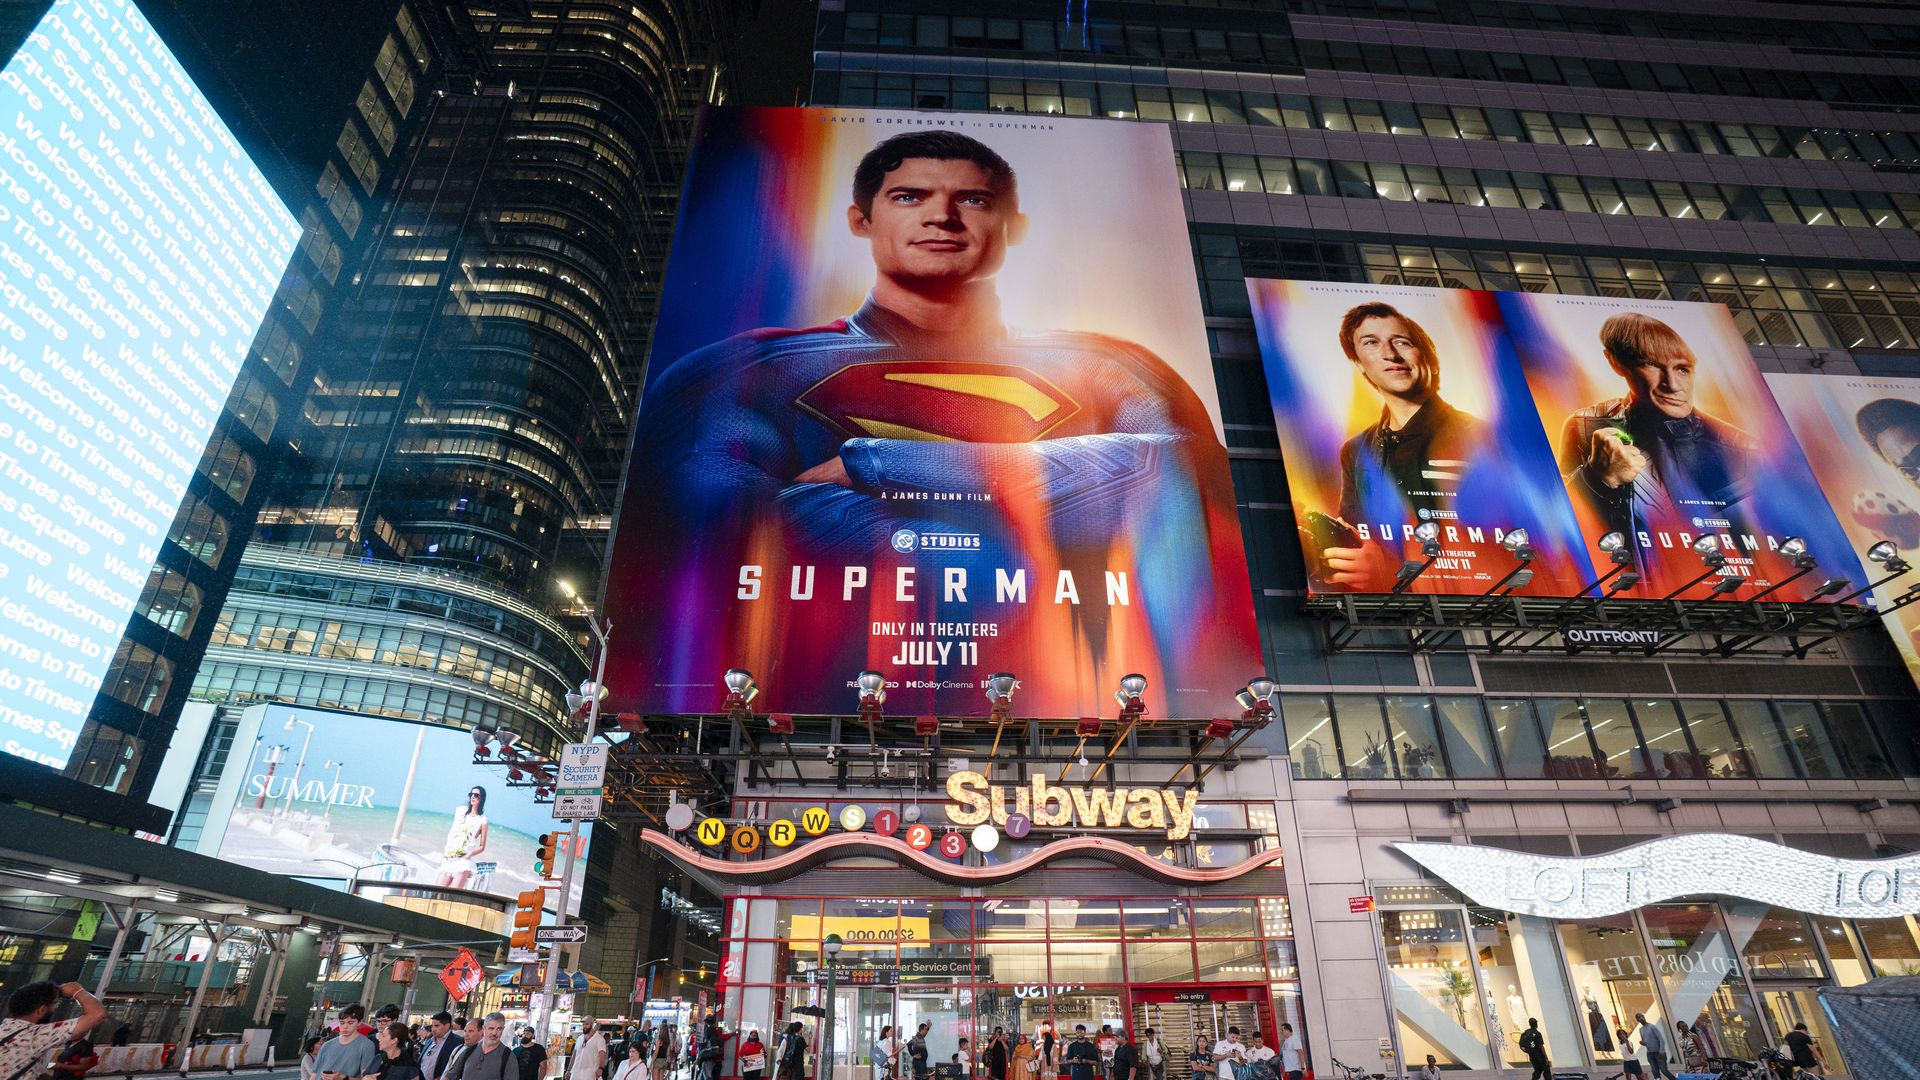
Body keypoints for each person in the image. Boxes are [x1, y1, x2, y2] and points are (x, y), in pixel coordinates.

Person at [1317, 301, 1492, 589]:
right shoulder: (1356, 449)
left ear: (1427, 356)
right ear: (1359, 363)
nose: (1390, 354)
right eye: (1371, 343)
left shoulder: (1480, 435)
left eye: (1402, 341)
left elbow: (1508, 540)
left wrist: (1393, 571)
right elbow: (1356, 533)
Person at [1556, 312, 1758, 551]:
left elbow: (1762, 543)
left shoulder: (1741, 448)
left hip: (1717, 579)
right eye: (1651, 364)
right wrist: (1597, 479)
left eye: (1682, 369)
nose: (1672, 385)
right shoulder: (1585, 426)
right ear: (1615, 362)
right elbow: (1555, 523)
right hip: (1616, 576)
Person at [435, 787, 491, 889]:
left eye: (476, 795)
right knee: (436, 892)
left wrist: (470, 853)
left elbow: (482, 846)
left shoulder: (482, 820)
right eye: (471, 794)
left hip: (463, 862)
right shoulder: (461, 812)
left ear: (482, 798)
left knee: (451, 895)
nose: (473, 797)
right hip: (448, 859)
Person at [320, 1006, 382, 1080]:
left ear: (359, 1023)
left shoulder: (366, 1045)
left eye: (350, 1022)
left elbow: (366, 1078)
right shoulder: (327, 1045)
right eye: (342, 1023)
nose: (345, 1026)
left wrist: (344, 1078)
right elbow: (314, 1074)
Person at [448, 1015, 514, 1080]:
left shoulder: (508, 1056)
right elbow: (450, 1076)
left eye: (499, 1029)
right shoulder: (468, 1051)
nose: (494, 1033)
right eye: (491, 1028)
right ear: (484, 1029)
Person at [1634, 1012, 1675, 1080]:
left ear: (1644, 1017)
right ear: (1637, 1020)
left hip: (1658, 1052)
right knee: (1654, 1071)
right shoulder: (1641, 1029)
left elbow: (1661, 1039)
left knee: (1664, 1070)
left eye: (1642, 1016)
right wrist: (1642, 1043)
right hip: (1650, 1053)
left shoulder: (1652, 1027)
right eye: (1639, 1017)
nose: (1641, 1018)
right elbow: (1645, 1042)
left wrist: (1661, 1050)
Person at [423, 1014, 463, 1080]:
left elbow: (458, 1067)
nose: (433, 1029)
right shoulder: (429, 1041)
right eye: (432, 1026)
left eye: (437, 1026)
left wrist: (443, 1077)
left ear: (447, 1026)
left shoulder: (457, 1042)